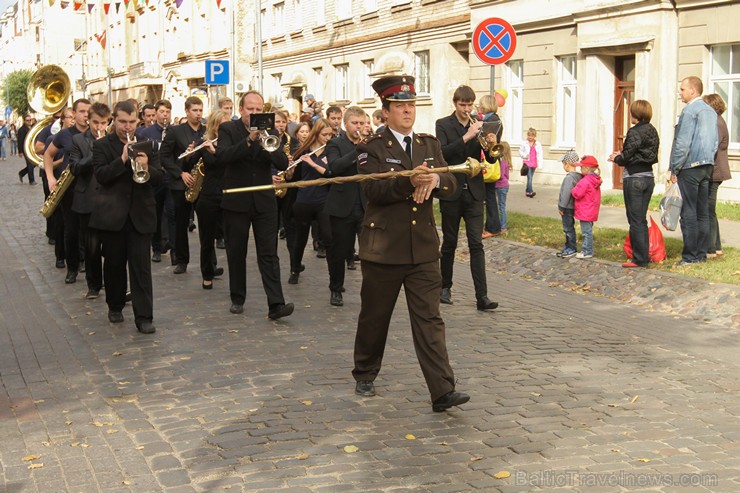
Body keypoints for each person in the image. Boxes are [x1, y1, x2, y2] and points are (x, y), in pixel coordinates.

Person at [352, 75, 469, 412]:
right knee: (376, 316)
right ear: (385, 110)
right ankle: (365, 371)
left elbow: (450, 182)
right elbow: (372, 190)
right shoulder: (371, 147)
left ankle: (442, 390)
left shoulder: (428, 144)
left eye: (411, 104)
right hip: (384, 248)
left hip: (422, 248)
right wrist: (408, 182)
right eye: (399, 105)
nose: (407, 110)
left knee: (430, 319)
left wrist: (435, 179)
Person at [216, 90, 294, 319]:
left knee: (269, 253)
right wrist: (249, 140)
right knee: (236, 251)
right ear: (241, 110)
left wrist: (268, 145)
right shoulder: (228, 129)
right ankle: (237, 297)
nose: (254, 113)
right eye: (250, 109)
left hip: (263, 200)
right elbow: (223, 157)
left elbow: (281, 162)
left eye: (259, 109)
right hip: (236, 200)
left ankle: (276, 304)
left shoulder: (269, 132)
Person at [90, 100, 163, 334]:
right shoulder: (102, 145)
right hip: (113, 215)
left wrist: (147, 167)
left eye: (132, 122)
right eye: (122, 121)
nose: (127, 127)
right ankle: (115, 305)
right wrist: (122, 160)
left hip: (141, 214)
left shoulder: (149, 145)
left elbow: (161, 178)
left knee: (141, 269)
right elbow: (101, 175)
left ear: (138, 121)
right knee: (114, 264)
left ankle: (144, 317)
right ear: (114, 119)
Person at [435, 85, 498, 311]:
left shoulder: (478, 125)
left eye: (470, 104)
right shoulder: (443, 124)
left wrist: (491, 145)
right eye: (463, 104)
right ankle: (445, 287)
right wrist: (467, 136)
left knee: (476, 244)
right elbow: (442, 154)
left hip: (474, 192)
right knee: (450, 243)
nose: (466, 109)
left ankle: (482, 297)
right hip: (451, 190)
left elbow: (490, 161)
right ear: (455, 103)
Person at [668, 76, 718, 266]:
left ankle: (690, 256)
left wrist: (675, 167)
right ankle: (701, 254)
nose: (680, 93)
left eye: (682, 89)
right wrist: (709, 160)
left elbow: (682, 143)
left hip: (690, 166)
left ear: (693, 90)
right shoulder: (710, 111)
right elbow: (714, 142)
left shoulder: (690, 111)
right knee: (702, 212)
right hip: (706, 165)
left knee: (688, 212)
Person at [44, 98, 92, 284]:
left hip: (90, 188)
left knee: (90, 232)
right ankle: (71, 268)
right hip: (69, 188)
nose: (85, 115)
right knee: (71, 230)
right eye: (81, 111)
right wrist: (50, 177)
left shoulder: (95, 133)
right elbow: (48, 155)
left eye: (89, 111)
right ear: (74, 113)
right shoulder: (64, 135)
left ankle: (90, 267)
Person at [608, 100, 660, 268]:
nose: (630, 115)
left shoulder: (634, 131)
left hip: (634, 178)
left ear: (636, 114)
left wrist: (616, 157)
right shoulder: (653, 131)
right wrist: (623, 154)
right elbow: (644, 153)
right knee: (641, 218)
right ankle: (642, 254)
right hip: (648, 177)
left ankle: (640, 258)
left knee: (635, 219)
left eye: (631, 112)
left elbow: (627, 156)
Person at [68, 102, 111, 299]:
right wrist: (95, 153)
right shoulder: (78, 140)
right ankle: (93, 285)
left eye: (103, 123)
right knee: (91, 247)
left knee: (113, 248)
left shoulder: (114, 140)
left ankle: (114, 285)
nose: (98, 127)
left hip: (110, 200)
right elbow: (75, 168)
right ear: (89, 120)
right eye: (95, 122)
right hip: (87, 201)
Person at [324, 106, 366, 306]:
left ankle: (371, 290)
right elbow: (335, 167)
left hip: (366, 205)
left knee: (370, 250)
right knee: (338, 251)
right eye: (355, 123)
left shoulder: (370, 144)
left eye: (362, 123)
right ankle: (336, 288)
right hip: (342, 205)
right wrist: (359, 150)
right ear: (346, 123)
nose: (359, 127)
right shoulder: (335, 143)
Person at [160, 96, 206, 275]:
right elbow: (164, 156)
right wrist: (180, 172)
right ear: (187, 111)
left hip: (202, 183)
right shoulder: (175, 131)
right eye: (195, 110)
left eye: (200, 110)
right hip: (181, 183)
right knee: (180, 224)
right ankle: (181, 260)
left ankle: (209, 262)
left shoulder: (207, 130)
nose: (198, 114)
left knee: (206, 224)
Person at [285, 119, 333, 285]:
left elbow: (331, 174)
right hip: (304, 200)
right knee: (300, 239)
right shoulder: (303, 151)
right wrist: (290, 170)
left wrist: (313, 163)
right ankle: (295, 269)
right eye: (324, 134)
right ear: (317, 134)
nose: (328, 138)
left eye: (330, 135)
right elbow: (292, 178)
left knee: (328, 238)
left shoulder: (331, 151)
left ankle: (334, 279)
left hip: (324, 200)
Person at [195, 110, 229, 289]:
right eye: (222, 125)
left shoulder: (232, 144)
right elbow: (214, 164)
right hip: (209, 195)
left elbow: (228, 163)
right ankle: (207, 274)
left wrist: (216, 150)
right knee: (206, 239)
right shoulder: (205, 143)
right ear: (215, 127)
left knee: (233, 239)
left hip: (229, 194)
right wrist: (192, 152)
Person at [140, 99, 174, 263]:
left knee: (172, 214)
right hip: (155, 178)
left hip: (171, 177)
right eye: (162, 112)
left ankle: (174, 249)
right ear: (156, 113)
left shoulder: (174, 131)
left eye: (168, 112)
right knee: (156, 214)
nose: (165, 115)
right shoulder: (147, 133)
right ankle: (156, 248)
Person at [702, 94, 731, 259]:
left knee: (708, 210)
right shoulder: (718, 121)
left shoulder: (716, 123)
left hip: (714, 172)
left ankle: (711, 248)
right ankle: (716, 246)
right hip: (715, 170)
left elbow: (712, 147)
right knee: (710, 210)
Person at [478, 94, 504, 238]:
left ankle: (492, 227)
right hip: (491, 159)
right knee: (489, 196)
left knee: (488, 197)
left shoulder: (491, 120)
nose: (479, 106)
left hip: (489, 160)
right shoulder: (493, 119)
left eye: (481, 104)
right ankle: (492, 226)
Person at [571, 156, 601, 259]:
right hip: (591, 209)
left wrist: (573, 189)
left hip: (585, 210)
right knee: (588, 231)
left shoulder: (585, 181)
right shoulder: (595, 179)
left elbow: (577, 193)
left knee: (586, 232)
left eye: (582, 167)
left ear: (587, 168)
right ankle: (587, 250)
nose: (580, 169)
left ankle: (587, 251)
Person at [556, 150, 582, 258]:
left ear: (566, 164)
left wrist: (561, 206)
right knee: (569, 227)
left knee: (568, 228)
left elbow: (566, 193)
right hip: (572, 206)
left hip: (567, 207)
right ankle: (568, 245)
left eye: (563, 164)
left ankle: (571, 247)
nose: (563, 166)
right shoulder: (578, 176)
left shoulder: (569, 178)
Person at [519, 127, 542, 197]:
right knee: (529, 177)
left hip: (534, 163)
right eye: (529, 135)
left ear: (535, 136)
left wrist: (540, 164)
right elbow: (520, 152)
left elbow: (540, 153)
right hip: (527, 162)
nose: (530, 137)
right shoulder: (524, 143)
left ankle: (527, 191)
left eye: (532, 136)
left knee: (530, 177)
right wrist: (525, 155)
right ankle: (530, 191)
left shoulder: (538, 144)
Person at [495, 142, 513, 234]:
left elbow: (500, 175)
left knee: (501, 207)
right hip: (504, 185)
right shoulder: (506, 161)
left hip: (500, 185)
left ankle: (503, 226)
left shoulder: (502, 161)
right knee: (502, 206)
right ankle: (501, 225)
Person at [17, 115, 36, 184]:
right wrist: (20, 151)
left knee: (34, 164)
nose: (29, 121)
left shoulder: (31, 128)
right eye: (27, 120)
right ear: (24, 121)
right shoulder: (22, 129)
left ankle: (22, 173)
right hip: (25, 149)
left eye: (30, 120)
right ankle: (31, 180)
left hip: (31, 149)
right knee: (30, 164)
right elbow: (20, 141)